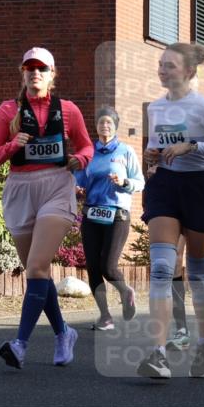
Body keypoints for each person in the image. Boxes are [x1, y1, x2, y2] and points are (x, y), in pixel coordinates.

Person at [135, 42, 204, 380]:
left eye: (169, 65)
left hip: (199, 188)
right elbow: (156, 147)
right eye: (161, 64)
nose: (162, 70)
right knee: (163, 268)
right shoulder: (154, 108)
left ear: (189, 72)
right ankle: (158, 353)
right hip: (165, 188)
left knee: (197, 274)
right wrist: (152, 156)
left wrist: (194, 146)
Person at [0, 47, 93, 369]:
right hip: (20, 190)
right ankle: (63, 333)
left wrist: (81, 159)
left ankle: (19, 344)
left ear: (52, 74)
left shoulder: (69, 110)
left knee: (36, 266)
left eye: (41, 69)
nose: (35, 74)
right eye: (30, 68)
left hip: (57, 187)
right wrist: (10, 146)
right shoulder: (8, 111)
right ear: (22, 73)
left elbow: (86, 145)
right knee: (39, 273)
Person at [74, 107, 144, 331]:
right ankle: (105, 316)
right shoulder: (89, 152)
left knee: (108, 266)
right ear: (96, 126)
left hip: (117, 214)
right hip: (92, 212)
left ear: (116, 126)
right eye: (101, 122)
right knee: (93, 267)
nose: (105, 126)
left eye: (109, 123)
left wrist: (124, 183)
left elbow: (140, 182)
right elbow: (80, 180)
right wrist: (78, 189)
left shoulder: (125, 151)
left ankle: (125, 292)